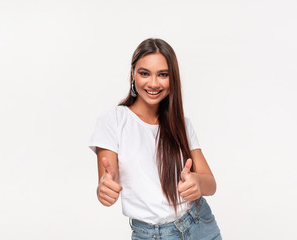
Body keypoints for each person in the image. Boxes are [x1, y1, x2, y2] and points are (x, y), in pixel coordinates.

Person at [89, 38, 222, 240]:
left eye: (163, 75)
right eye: (144, 73)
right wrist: (104, 188)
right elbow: (108, 179)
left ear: (172, 79)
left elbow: (210, 184)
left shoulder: (181, 124)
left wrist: (196, 182)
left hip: (199, 223)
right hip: (152, 235)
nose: (153, 83)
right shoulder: (113, 121)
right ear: (133, 73)